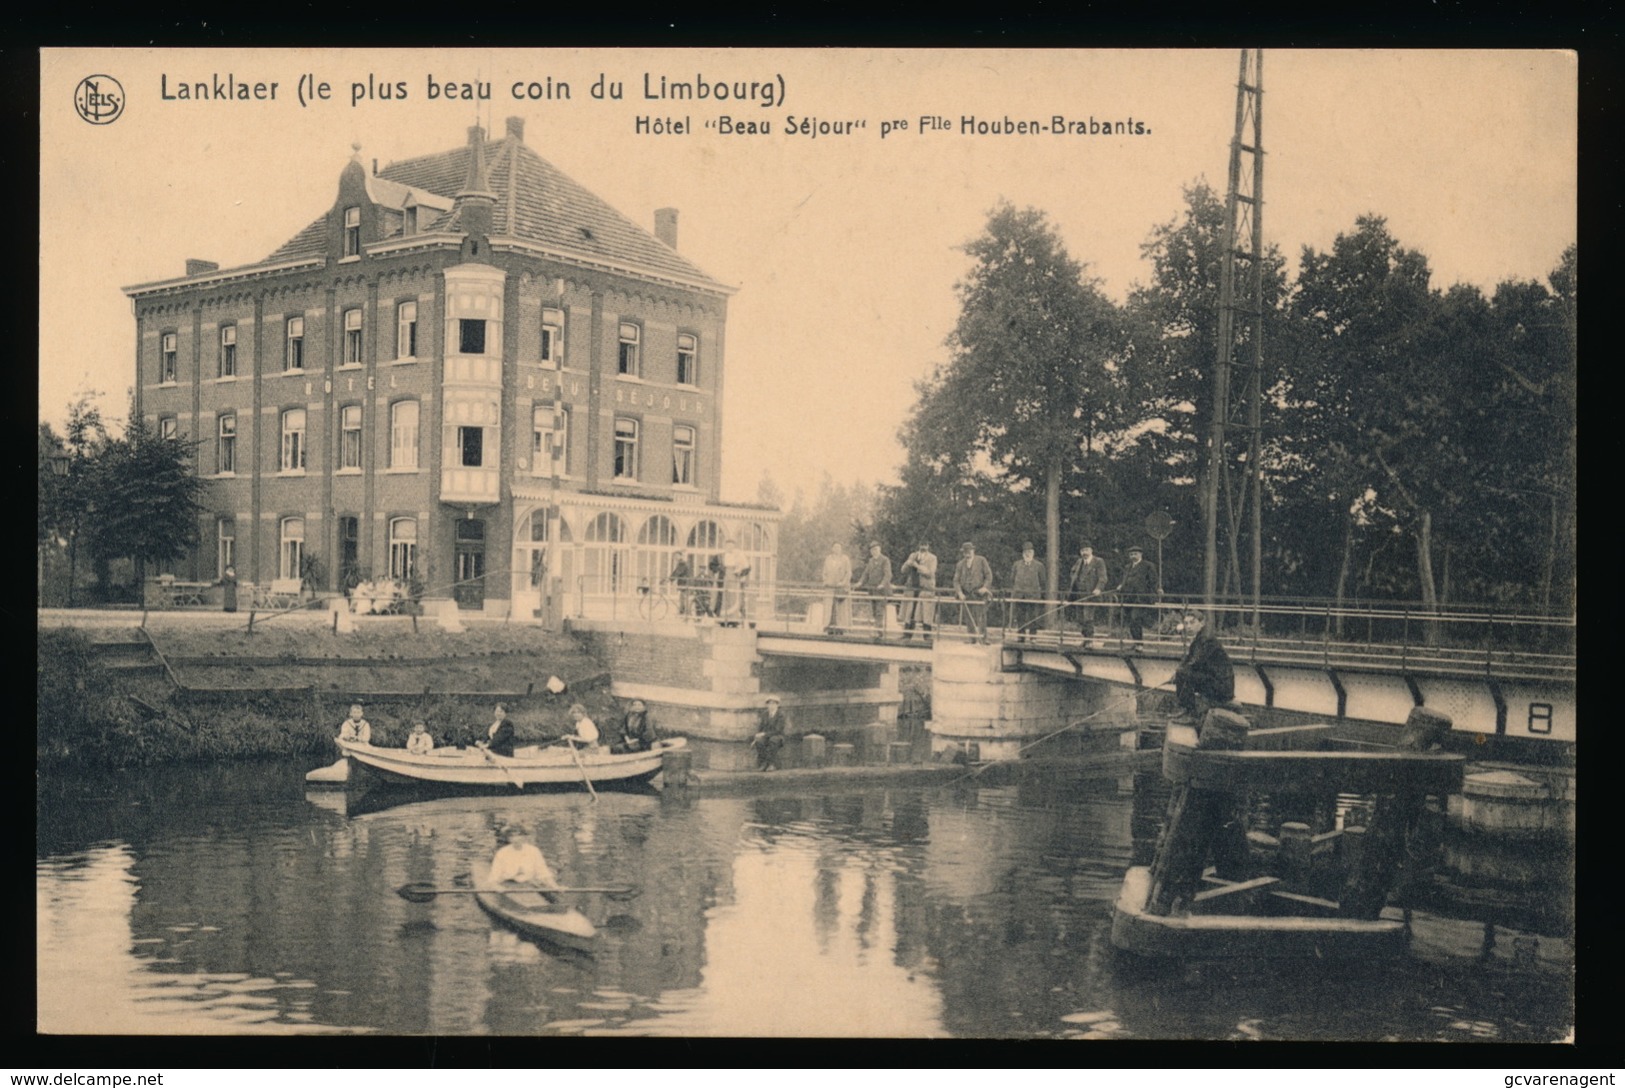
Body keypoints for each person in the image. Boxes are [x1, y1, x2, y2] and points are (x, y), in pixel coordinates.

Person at [1173, 610, 1236, 721]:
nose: (1188, 626)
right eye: (1186, 623)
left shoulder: (1207, 639)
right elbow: (1188, 659)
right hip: (1214, 682)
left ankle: (1189, 714)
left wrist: (1179, 673)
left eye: (1192, 622)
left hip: (1222, 687)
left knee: (1183, 674)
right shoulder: (1199, 639)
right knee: (1182, 673)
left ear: (1202, 623)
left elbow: (1196, 662)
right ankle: (1185, 710)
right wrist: (1177, 673)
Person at [1116, 545, 1160, 649]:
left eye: (1135, 554)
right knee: (1131, 621)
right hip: (1128, 598)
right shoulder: (1128, 567)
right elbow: (1125, 580)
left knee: (1135, 618)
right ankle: (1136, 643)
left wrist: (1152, 594)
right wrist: (1121, 586)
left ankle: (1139, 644)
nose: (1133, 556)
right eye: (1131, 554)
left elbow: (1154, 582)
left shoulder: (1148, 565)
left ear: (1141, 554)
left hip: (1141, 598)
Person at [1066, 542, 1109, 646]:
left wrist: (1098, 588)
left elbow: (1103, 577)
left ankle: (1089, 640)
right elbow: (1073, 573)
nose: (1084, 553)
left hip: (1090, 595)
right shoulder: (1079, 562)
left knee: (1088, 617)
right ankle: (1085, 639)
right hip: (1079, 595)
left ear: (1091, 550)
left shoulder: (1098, 561)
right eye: (1082, 551)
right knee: (1080, 618)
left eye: (1086, 550)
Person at [488, 825, 558, 888]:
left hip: (529, 884)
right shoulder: (502, 853)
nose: (515, 839)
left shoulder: (533, 850)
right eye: (512, 836)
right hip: (508, 884)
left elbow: (543, 871)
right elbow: (494, 875)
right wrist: (497, 887)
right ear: (508, 839)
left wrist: (555, 886)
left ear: (524, 837)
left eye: (518, 835)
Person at [952, 542, 994, 644]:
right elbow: (956, 581)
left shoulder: (981, 560)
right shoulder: (960, 564)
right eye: (965, 552)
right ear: (963, 553)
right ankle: (972, 638)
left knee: (981, 616)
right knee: (968, 616)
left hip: (979, 593)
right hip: (966, 594)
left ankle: (983, 638)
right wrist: (960, 593)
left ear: (973, 551)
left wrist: (985, 587)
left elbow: (989, 576)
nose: (967, 554)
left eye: (969, 551)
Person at [898, 541, 938, 639]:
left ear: (928, 546)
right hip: (912, 588)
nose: (923, 546)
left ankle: (927, 636)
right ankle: (907, 634)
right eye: (921, 544)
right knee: (910, 612)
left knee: (926, 613)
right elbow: (903, 570)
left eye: (925, 544)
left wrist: (917, 566)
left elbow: (930, 573)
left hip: (925, 588)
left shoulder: (932, 558)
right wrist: (908, 563)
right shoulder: (913, 556)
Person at [1008, 541, 1048, 640]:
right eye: (1026, 552)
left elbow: (1043, 581)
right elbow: (1012, 579)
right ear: (1022, 553)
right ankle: (1021, 637)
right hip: (1019, 595)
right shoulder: (1017, 565)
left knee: (1033, 617)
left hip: (1033, 596)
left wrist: (1036, 591)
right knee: (1020, 617)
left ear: (1033, 553)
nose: (1027, 554)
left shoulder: (1039, 566)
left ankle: (1033, 637)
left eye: (1029, 551)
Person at [853, 541, 893, 631]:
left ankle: (878, 631)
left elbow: (888, 574)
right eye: (872, 550)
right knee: (874, 610)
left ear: (880, 549)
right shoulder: (871, 561)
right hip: (872, 590)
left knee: (879, 611)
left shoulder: (885, 560)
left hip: (881, 591)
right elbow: (866, 574)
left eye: (875, 549)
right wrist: (860, 582)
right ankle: (877, 629)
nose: (874, 552)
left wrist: (882, 584)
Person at [820, 542, 853, 634]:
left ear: (841, 549)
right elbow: (824, 572)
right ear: (832, 549)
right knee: (829, 607)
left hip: (840, 587)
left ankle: (841, 628)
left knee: (841, 608)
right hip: (830, 587)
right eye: (835, 547)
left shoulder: (845, 559)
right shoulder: (828, 559)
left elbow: (848, 573)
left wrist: (843, 582)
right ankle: (828, 627)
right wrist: (825, 581)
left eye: (839, 547)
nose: (837, 549)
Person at [752, 695, 788, 771]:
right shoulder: (764, 714)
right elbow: (760, 728)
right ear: (767, 705)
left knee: (773, 740)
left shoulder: (781, 715)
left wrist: (764, 734)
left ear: (777, 705)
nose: (771, 706)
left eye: (773, 704)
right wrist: (756, 738)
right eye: (769, 704)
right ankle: (763, 763)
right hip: (766, 736)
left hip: (778, 736)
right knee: (759, 742)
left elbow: (778, 730)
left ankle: (772, 764)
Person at [721, 538, 751, 625]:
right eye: (727, 546)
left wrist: (739, 572)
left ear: (734, 546)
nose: (729, 548)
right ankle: (724, 618)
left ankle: (734, 618)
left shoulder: (738, 554)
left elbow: (746, 566)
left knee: (734, 597)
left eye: (731, 546)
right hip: (726, 578)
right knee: (725, 597)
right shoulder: (724, 555)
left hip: (734, 578)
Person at [670, 551, 695, 617]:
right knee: (682, 598)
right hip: (683, 583)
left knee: (684, 598)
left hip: (685, 583)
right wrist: (670, 578)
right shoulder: (680, 563)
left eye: (677, 556)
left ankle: (687, 614)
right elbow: (676, 571)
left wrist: (670, 579)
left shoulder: (682, 563)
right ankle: (682, 612)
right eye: (674, 556)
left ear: (681, 556)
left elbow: (678, 572)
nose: (675, 557)